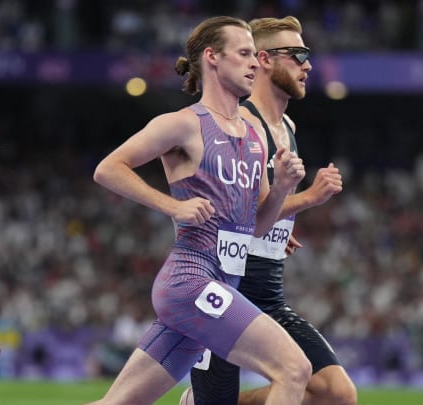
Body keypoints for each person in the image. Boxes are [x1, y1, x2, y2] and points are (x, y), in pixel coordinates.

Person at [86, 16, 311, 405]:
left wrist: (285, 189)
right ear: (212, 58)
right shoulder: (185, 125)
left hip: (220, 284)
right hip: (190, 281)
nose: (254, 63)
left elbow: (255, 226)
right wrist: (173, 206)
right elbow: (108, 169)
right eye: (243, 54)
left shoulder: (254, 135)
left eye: (255, 56)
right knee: (294, 369)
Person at [180, 16, 356, 405]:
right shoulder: (241, 124)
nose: (307, 64)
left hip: (267, 292)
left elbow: (260, 210)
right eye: (298, 55)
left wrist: (281, 221)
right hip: (225, 291)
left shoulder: (287, 125)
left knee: (335, 394)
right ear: (264, 60)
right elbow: (238, 216)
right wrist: (308, 197)